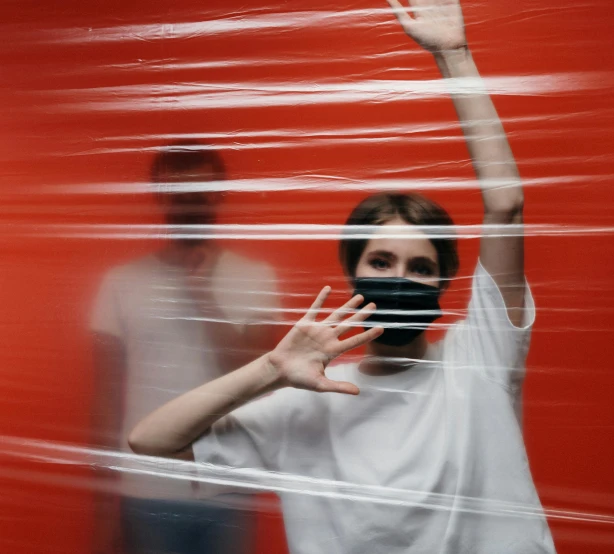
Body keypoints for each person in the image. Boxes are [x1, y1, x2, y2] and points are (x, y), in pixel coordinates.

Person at [128, 1, 556, 552]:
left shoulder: (479, 362)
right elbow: (150, 442)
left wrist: (454, 55)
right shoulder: (306, 398)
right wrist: (270, 370)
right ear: (352, 272)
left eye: (419, 267)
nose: (399, 278)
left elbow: (506, 205)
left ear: (445, 282)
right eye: (381, 262)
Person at [90, 142, 280, 554]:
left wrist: (203, 297)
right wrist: (104, 508)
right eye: (179, 193)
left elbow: (258, 377)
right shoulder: (121, 283)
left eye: (200, 191)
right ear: (160, 196)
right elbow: (104, 401)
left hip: (226, 486)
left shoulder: (255, 277)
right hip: (146, 489)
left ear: (220, 193)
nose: (190, 204)